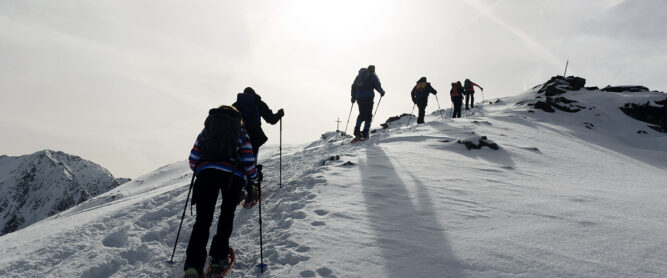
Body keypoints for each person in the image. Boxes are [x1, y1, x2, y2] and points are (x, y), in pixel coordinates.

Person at [183, 105, 260, 278]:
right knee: (226, 216)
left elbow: (193, 157)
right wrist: (254, 177)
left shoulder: (207, 129)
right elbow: (248, 159)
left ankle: (193, 266)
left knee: (202, 220)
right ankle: (218, 259)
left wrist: (202, 169)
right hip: (233, 176)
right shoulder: (240, 131)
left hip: (206, 174)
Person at [233, 87, 284, 159]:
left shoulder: (235, 105)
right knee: (251, 163)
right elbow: (271, 120)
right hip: (254, 138)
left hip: (239, 138)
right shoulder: (259, 103)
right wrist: (279, 114)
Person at [350, 65, 385, 140]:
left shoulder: (359, 76)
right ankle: (365, 133)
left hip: (359, 98)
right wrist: (382, 92)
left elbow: (353, 86)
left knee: (361, 114)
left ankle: (357, 132)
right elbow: (377, 85)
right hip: (368, 97)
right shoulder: (372, 76)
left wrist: (353, 97)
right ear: (373, 69)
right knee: (368, 115)